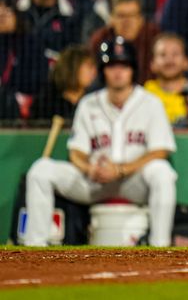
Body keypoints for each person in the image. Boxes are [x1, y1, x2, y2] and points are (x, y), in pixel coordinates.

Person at [24, 36, 177, 246]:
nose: (118, 71)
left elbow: (161, 150)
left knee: (162, 172)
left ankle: (161, 247)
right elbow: (76, 152)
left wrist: (122, 170)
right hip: (95, 181)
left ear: (132, 69)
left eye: (123, 65)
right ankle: (35, 247)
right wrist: (88, 168)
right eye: (112, 65)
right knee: (40, 170)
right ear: (103, 70)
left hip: (133, 181)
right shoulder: (89, 104)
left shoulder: (151, 103)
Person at [89, 0, 158, 85]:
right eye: (121, 16)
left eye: (132, 15)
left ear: (141, 19)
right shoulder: (99, 40)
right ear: (111, 19)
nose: (127, 21)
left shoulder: (155, 38)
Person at [30, 45, 97, 120]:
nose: (94, 71)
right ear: (73, 68)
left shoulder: (95, 100)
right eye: (90, 66)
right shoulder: (46, 103)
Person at [143, 32, 188, 124]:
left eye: (175, 54)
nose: (169, 60)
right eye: (162, 55)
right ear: (152, 64)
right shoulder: (144, 95)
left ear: (186, 62)